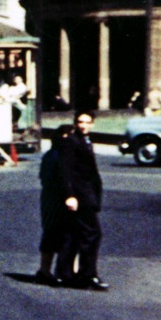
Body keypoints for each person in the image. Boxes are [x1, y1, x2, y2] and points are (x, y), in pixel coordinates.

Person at [55, 111, 108, 290]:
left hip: (87, 195)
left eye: (87, 122)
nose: (83, 125)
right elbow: (65, 170)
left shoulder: (86, 140)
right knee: (92, 234)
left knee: (73, 233)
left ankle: (64, 274)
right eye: (80, 122)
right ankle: (87, 275)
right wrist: (69, 195)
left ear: (92, 124)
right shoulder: (70, 141)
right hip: (80, 196)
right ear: (75, 123)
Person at [35, 124, 70, 284]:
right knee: (58, 235)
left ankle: (46, 270)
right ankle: (49, 271)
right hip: (55, 200)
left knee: (54, 234)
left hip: (51, 198)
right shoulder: (57, 156)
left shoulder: (51, 154)